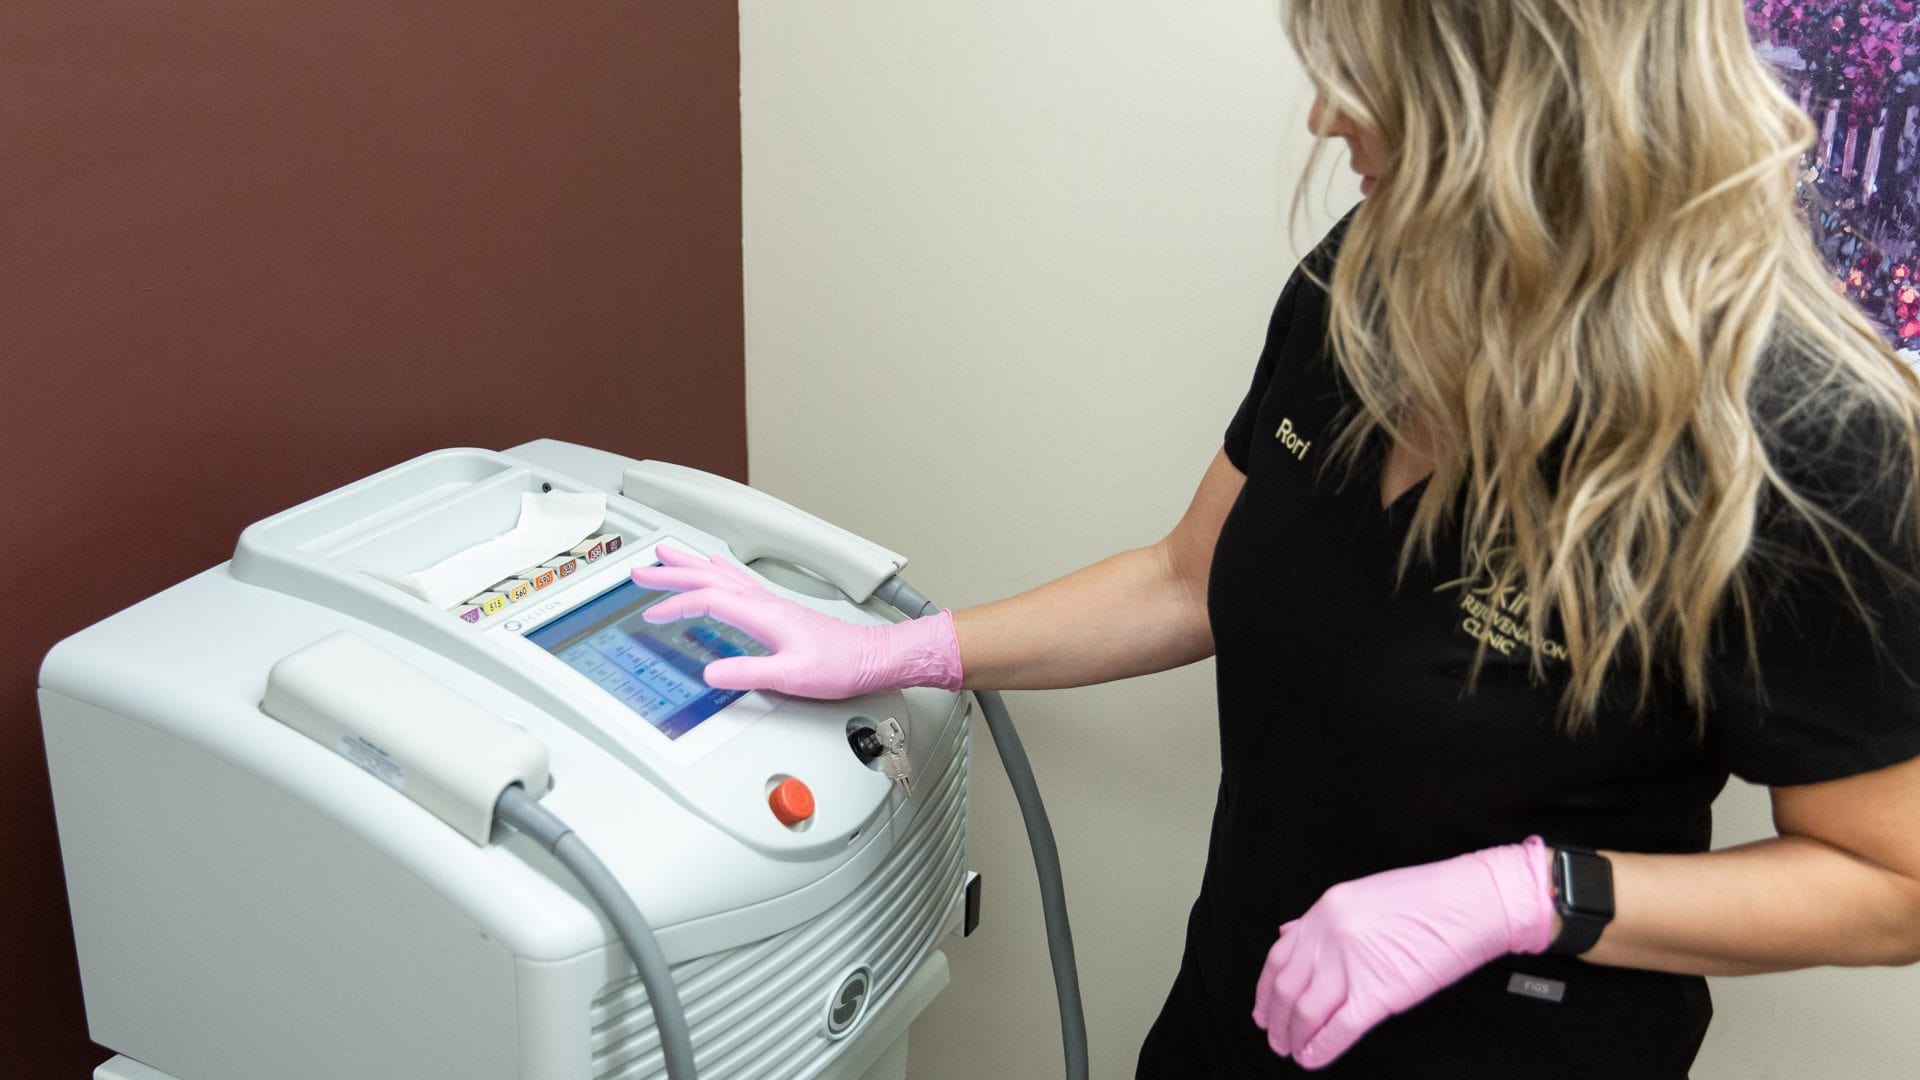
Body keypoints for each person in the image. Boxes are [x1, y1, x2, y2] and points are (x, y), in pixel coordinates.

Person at [633, 0, 1920, 1075]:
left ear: (1517, 94)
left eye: (1365, 77)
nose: (1323, 117)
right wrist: (903, 651)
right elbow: (1187, 578)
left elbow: (1890, 882)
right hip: (1238, 1016)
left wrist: (1525, 896)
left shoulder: (1803, 435)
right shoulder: (1368, 277)